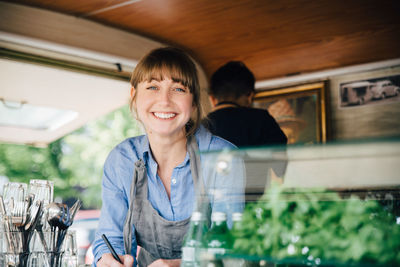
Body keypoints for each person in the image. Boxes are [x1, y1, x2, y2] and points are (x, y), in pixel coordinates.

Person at [92, 47, 243, 267]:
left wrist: (180, 265)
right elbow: (110, 238)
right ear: (134, 96)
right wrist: (109, 259)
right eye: (152, 87)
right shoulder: (121, 160)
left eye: (178, 89)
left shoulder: (223, 158)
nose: (164, 101)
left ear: (193, 103)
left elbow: (231, 247)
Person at [204, 61, 287, 147]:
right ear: (249, 96)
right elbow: (280, 155)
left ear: (212, 98)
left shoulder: (200, 127)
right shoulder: (262, 119)